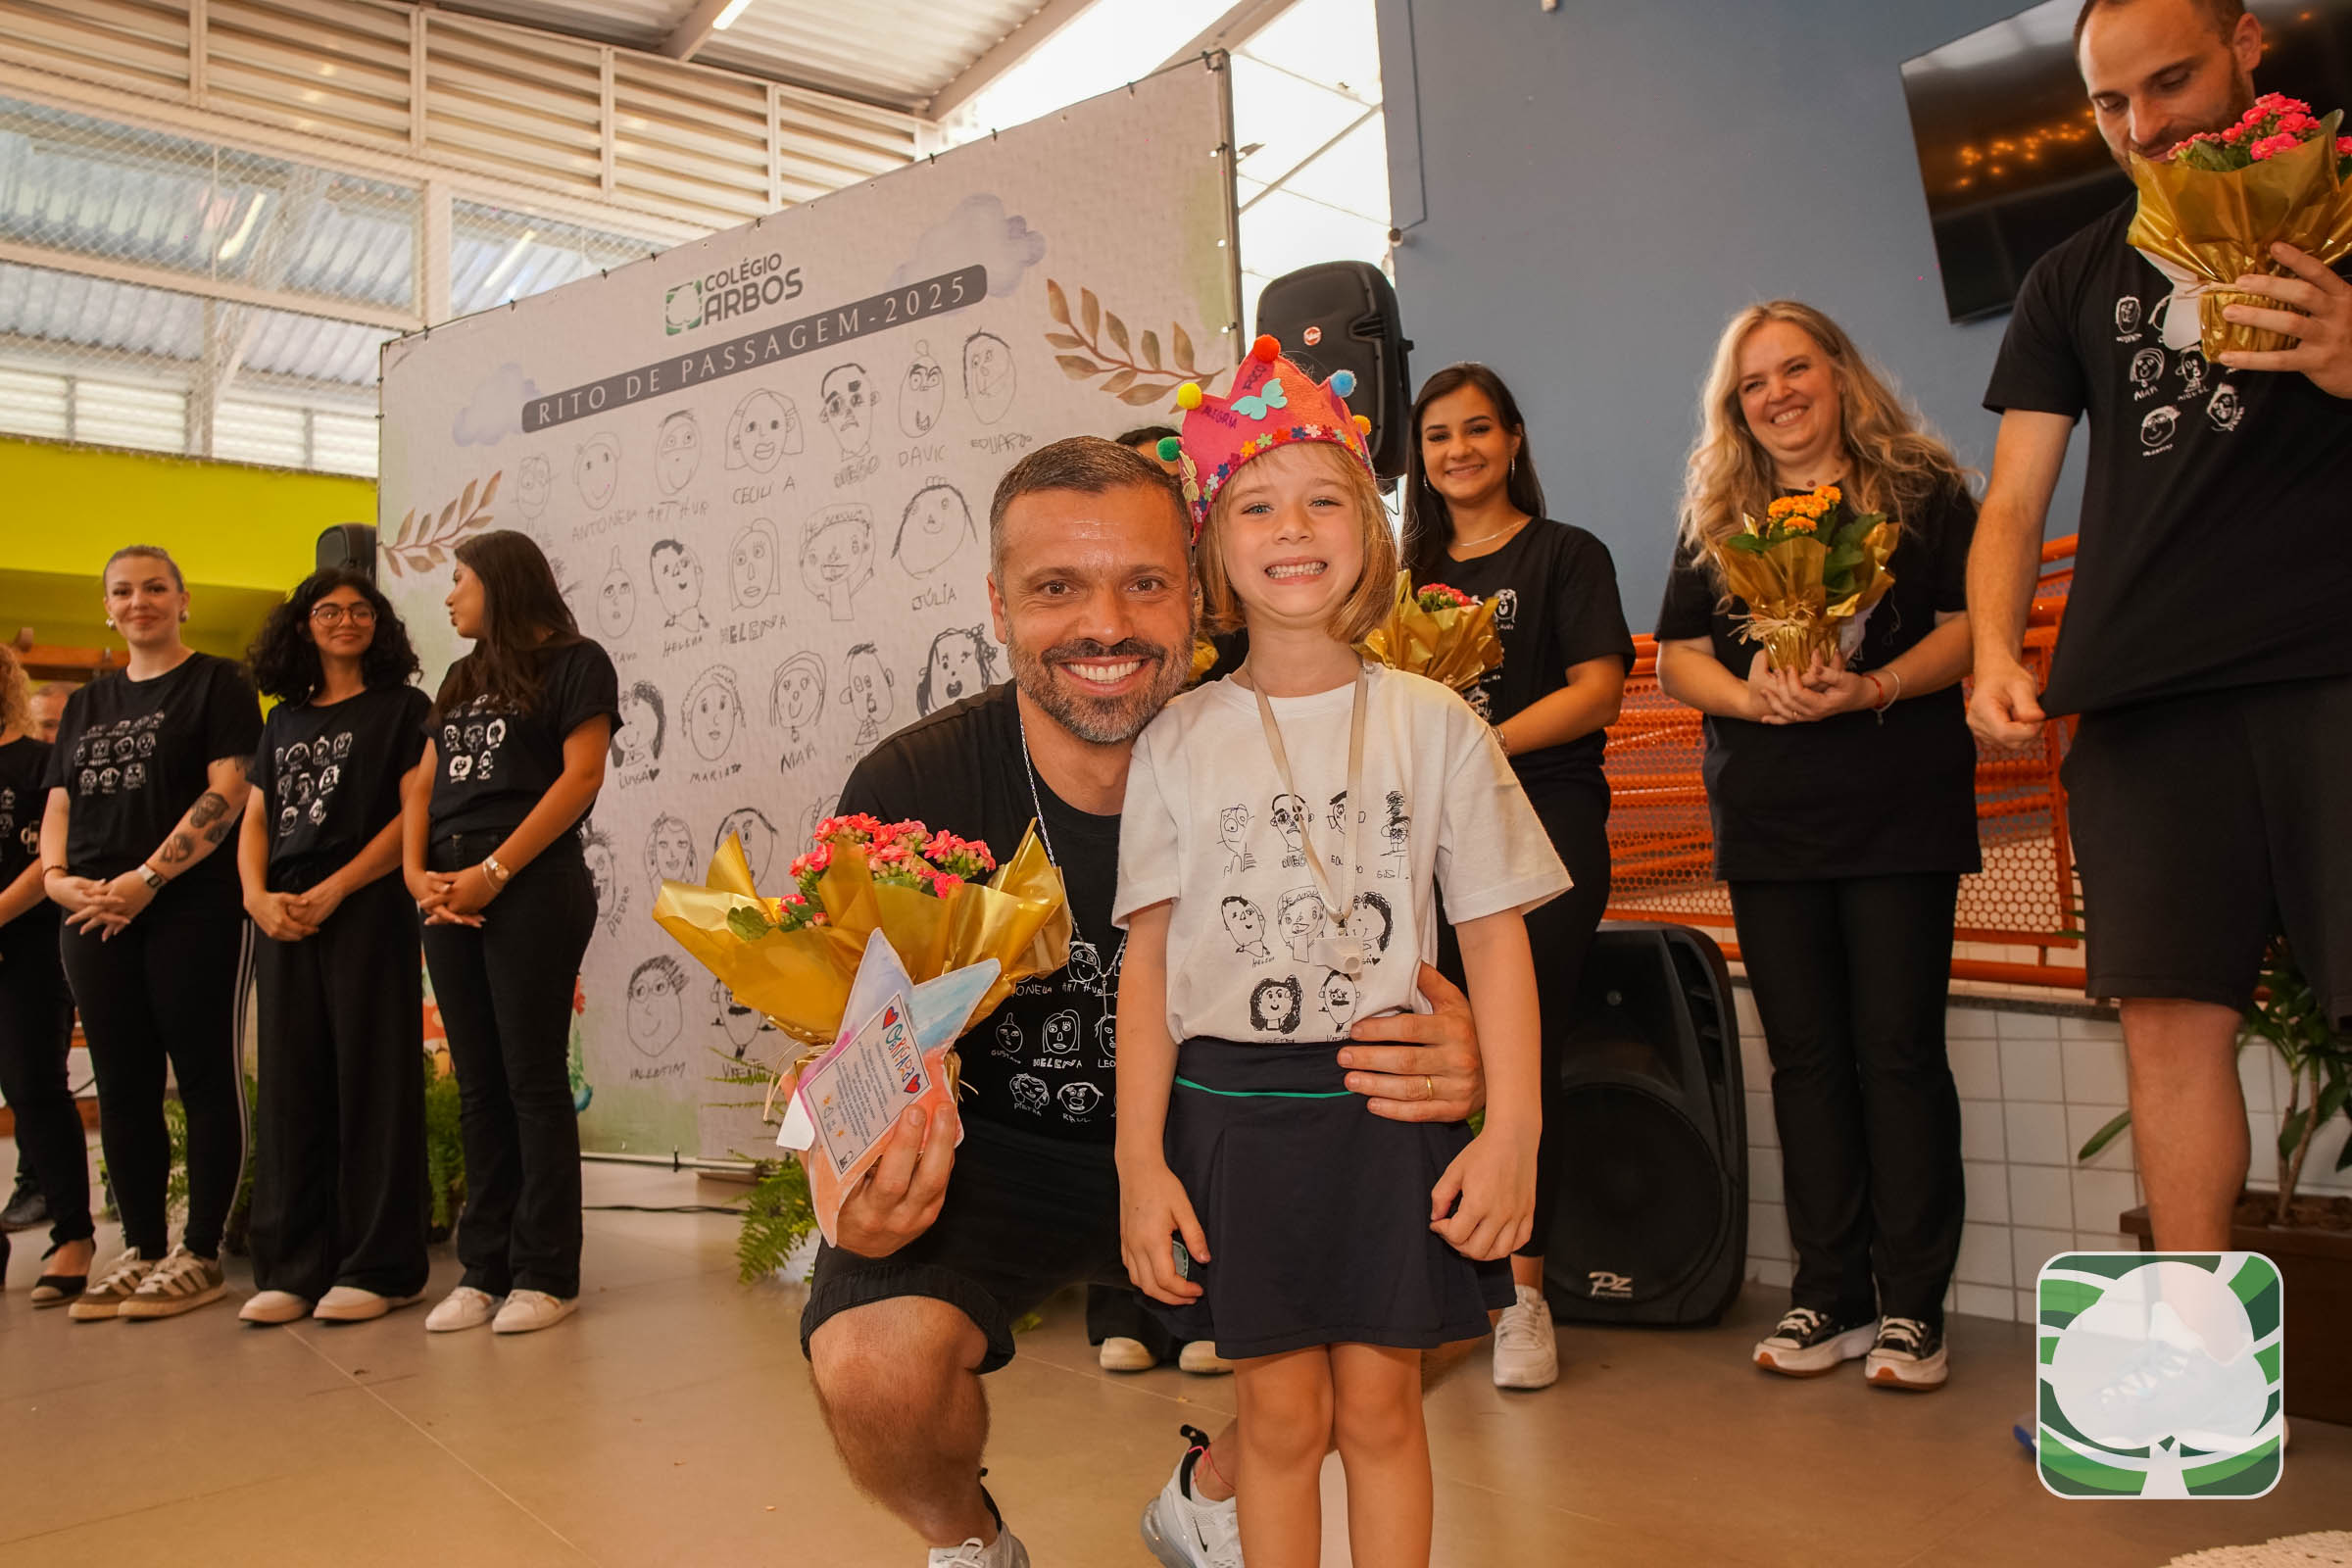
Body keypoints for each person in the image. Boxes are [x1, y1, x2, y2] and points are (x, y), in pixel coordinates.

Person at [799, 435, 1495, 1568]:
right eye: (1056, 588)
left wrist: (1459, 1056)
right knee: (872, 1367)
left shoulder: (1324, 747)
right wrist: (848, 1191)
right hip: (993, 1158)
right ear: (998, 604)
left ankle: (1216, 1489)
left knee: (1444, 1290)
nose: (1105, 625)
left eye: (1145, 582)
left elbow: (1442, 976)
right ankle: (969, 1542)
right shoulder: (913, 787)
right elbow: (842, 1057)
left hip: (1235, 1129)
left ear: (1199, 592)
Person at [1115, 340, 1563, 1568]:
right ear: (1213, 547)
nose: (1293, 530)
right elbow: (1148, 968)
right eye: (1256, 506)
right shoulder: (1176, 739)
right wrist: (1139, 1161)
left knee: (1381, 1411)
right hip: (1233, 1120)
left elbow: (1496, 936)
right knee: (1279, 1418)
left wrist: (1513, 1132)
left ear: (1371, 529)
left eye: (1324, 500)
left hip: (1389, 1110)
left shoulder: (1437, 723)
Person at [1970, 0, 2352, 1254]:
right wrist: (1994, 647)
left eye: (2171, 81)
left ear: (2247, 45)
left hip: (2331, 670)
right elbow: (2014, 499)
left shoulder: (2344, 207)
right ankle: (2190, 1351)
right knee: (2169, 1029)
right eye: (2110, 103)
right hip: (2144, 705)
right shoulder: (2070, 274)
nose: (2143, 126)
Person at [1656, 302, 1979, 1390]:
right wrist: (1752, 695)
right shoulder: (1718, 511)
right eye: (1753, 383)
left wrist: (1874, 685)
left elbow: (1969, 628)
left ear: (1839, 373)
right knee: (1804, 1061)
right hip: (1771, 819)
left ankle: (1913, 1307)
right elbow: (1680, 658)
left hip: (1899, 810)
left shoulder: (1923, 490)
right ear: (1735, 406)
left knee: (1898, 1052)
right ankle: (1828, 1295)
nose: (1777, 395)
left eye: (1795, 369)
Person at [1399, 363, 1634, 1390]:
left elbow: (1597, 691)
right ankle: (1430, 1286)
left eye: (1477, 429)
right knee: (1428, 1057)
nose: (1459, 450)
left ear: (1513, 440)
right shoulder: (1398, 578)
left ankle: (1522, 1295)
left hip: (1545, 822)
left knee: (1521, 1057)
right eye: (1439, 435)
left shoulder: (1566, 554)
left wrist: (1475, 744)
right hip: (1421, 841)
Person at [40, 545, 262, 1320]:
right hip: (91, 909)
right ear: (107, 608)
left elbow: (230, 788)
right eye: (124, 591)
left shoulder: (220, 682)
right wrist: (55, 878)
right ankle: (139, 1248)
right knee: (122, 1085)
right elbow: (60, 801)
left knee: (203, 1078)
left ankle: (200, 1253)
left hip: (190, 905)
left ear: (183, 599)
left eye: (156, 588)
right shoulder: (85, 703)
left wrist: (149, 879)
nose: (140, 601)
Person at [403, 530, 615, 1336]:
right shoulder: (461, 676)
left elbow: (581, 777)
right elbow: (422, 786)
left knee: (532, 1080)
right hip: (448, 886)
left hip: (531, 881)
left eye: (459, 578)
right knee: (479, 1084)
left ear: (498, 580)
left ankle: (545, 1273)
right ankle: (482, 1269)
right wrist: (418, 875)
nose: (449, 595)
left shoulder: (578, 662)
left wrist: (493, 872)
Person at [236, 568, 433, 1325]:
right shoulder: (282, 721)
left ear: (379, 624)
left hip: (367, 906)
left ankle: (383, 1269)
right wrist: (255, 898)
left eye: (361, 610)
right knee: (291, 1089)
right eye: (329, 611)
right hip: (283, 914)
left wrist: (340, 886)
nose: (346, 621)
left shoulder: (404, 709)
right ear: (303, 626)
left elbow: (413, 815)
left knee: (375, 1083)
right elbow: (257, 818)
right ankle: (292, 1268)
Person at [1079, 422, 1235, 1381]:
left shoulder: (1240, 645)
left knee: (1198, 1086)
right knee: (1118, 1067)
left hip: (1212, 898)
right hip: (1110, 868)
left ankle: (1200, 1302)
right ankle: (1120, 1298)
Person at [0, 648, 93, 1301]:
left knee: (34, 1090)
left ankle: (73, 1237)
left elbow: (53, 856)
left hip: (29, 950)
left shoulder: (40, 762)